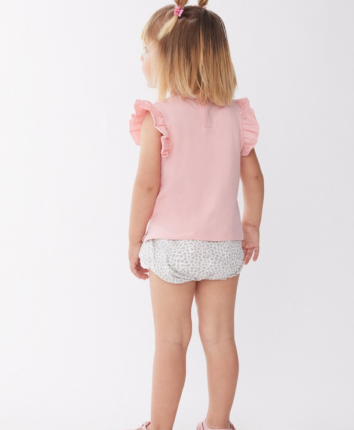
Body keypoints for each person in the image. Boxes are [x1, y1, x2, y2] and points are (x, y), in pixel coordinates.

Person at [127, 1, 264, 430]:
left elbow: (146, 186)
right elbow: (254, 177)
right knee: (220, 339)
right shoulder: (235, 116)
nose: (141, 58)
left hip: (170, 246)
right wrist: (251, 225)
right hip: (223, 246)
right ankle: (218, 424)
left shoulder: (159, 117)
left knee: (171, 341)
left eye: (146, 50)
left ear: (171, 58)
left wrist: (134, 239)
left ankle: (160, 427)